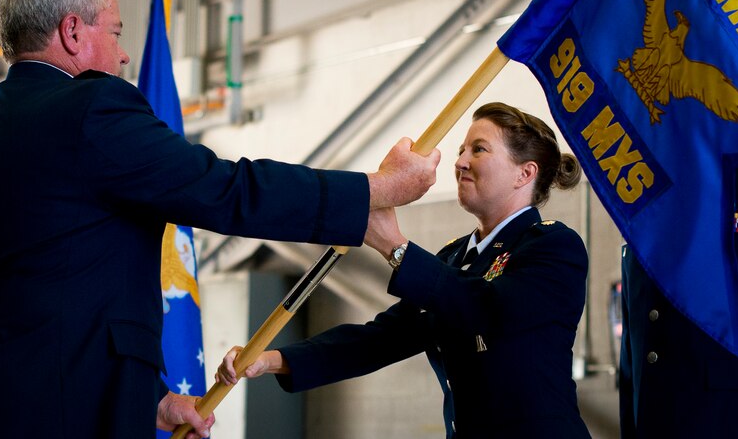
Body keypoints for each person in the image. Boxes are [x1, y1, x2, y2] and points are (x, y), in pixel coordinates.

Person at [0, 0, 440, 439]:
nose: (124, 55)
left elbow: (47, 286)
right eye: (116, 33)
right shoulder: (90, 106)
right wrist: (376, 190)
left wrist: (151, 399)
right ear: (72, 32)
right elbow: (224, 190)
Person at [219, 102, 591, 438]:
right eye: (462, 149)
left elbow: (487, 311)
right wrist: (272, 360)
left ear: (524, 174)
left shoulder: (552, 246)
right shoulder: (454, 257)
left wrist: (394, 246)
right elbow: (381, 339)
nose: (459, 161)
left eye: (479, 149)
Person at [619, 244, 738, 438]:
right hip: (652, 415)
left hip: (715, 413)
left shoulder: (721, 224)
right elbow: (632, 356)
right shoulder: (640, 239)